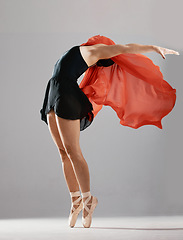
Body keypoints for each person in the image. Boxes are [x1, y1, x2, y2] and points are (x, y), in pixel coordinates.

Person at [40, 35, 179, 228]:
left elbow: (127, 48)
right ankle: (75, 200)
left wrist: (155, 48)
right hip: (52, 92)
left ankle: (88, 199)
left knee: (73, 151)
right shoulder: (81, 49)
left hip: (66, 95)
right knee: (63, 153)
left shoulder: (95, 51)